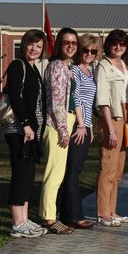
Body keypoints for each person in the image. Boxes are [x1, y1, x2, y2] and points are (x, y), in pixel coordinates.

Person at [1, 29, 48, 238]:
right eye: (31, 44)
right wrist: (27, 124)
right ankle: (17, 223)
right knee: (20, 173)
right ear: (24, 45)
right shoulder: (17, 65)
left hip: (31, 131)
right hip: (19, 129)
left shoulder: (34, 69)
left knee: (28, 175)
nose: (34, 49)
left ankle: (25, 219)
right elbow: (15, 96)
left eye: (38, 46)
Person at [39, 27, 78, 235]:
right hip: (56, 125)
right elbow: (55, 101)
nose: (70, 46)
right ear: (59, 45)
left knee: (58, 173)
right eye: (66, 42)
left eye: (73, 43)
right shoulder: (56, 67)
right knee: (54, 174)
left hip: (65, 122)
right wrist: (63, 129)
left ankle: (49, 214)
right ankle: (49, 218)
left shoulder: (66, 67)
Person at [59, 33, 100, 229]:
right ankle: (74, 215)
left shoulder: (89, 72)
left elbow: (89, 103)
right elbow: (74, 99)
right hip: (77, 125)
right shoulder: (74, 70)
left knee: (74, 170)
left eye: (93, 51)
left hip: (86, 126)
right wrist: (82, 125)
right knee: (73, 170)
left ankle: (66, 213)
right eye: (86, 50)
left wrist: (90, 127)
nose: (90, 54)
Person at [95, 29, 128, 227]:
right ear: (108, 44)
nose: (119, 47)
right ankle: (103, 213)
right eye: (115, 43)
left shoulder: (124, 66)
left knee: (118, 171)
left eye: (123, 44)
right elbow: (102, 99)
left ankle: (112, 209)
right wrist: (110, 129)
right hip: (111, 119)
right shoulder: (104, 66)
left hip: (125, 119)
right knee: (108, 168)